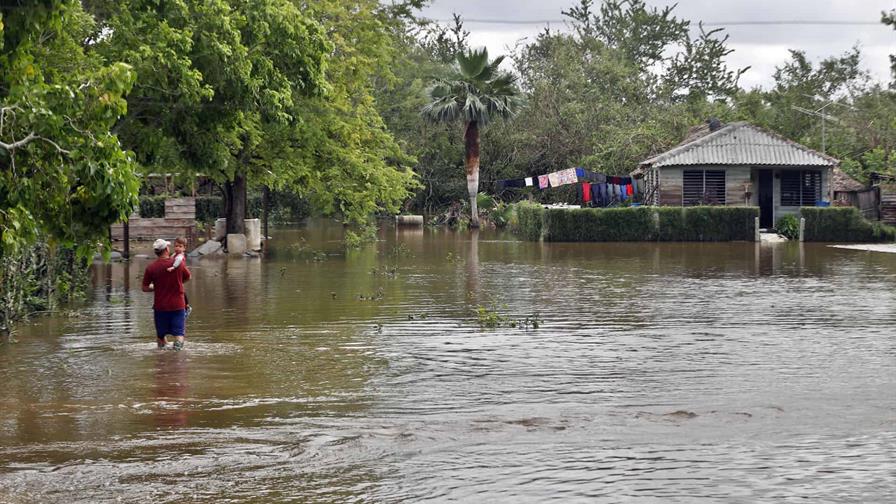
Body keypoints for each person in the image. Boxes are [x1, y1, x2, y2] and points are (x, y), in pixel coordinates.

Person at [143, 238, 191, 350]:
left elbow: (145, 288)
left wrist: (157, 287)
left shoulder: (151, 268)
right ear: (166, 249)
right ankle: (177, 352)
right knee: (179, 334)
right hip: (178, 305)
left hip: (160, 307)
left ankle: (163, 358)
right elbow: (188, 277)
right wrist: (176, 283)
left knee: (161, 336)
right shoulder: (178, 264)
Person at [166, 237, 192, 318]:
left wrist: (173, 267)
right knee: (180, 289)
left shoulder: (180, 256)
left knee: (181, 289)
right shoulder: (175, 254)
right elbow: (170, 259)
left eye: (180, 246)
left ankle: (187, 306)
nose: (177, 248)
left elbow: (177, 261)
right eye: (176, 246)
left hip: (180, 273)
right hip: (176, 275)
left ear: (184, 248)